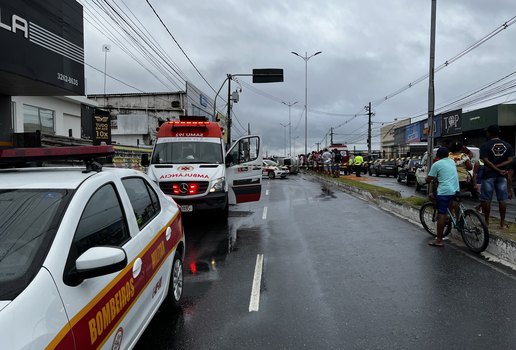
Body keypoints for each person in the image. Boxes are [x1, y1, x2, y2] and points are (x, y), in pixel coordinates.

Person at [479, 124, 514, 229]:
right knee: (502, 199)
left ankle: (486, 222)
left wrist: (494, 168)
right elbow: (510, 160)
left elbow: (485, 160)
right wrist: (499, 169)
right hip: (502, 175)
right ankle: (502, 224)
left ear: (489, 133)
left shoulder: (485, 146)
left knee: (486, 199)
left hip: (488, 175)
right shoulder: (507, 145)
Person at [425, 147, 460, 247]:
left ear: (438, 156)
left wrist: (426, 180)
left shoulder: (437, 164)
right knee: (446, 199)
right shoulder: (452, 162)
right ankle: (449, 215)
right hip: (455, 190)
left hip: (444, 191)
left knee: (439, 210)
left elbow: (430, 178)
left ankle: (439, 240)